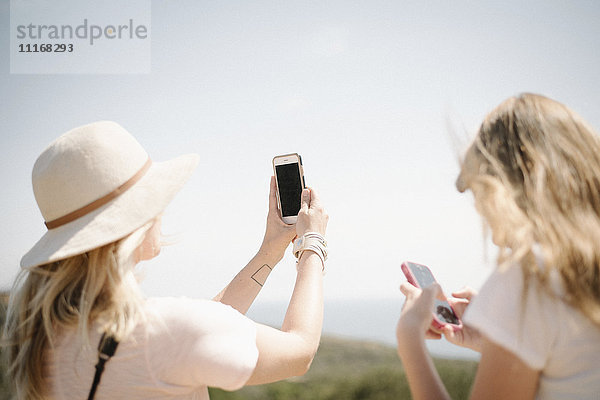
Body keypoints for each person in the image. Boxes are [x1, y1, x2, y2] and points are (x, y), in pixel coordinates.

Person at [1, 121, 328, 399]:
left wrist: (271, 249)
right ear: (136, 219)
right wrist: (312, 243)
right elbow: (299, 351)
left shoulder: (45, 339)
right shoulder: (164, 333)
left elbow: (210, 320)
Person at [396, 93, 600, 399]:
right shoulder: (581, 267)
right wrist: (500, 338)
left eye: (477, 191)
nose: (478, 209)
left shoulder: (529, 280)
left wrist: (410, 339)